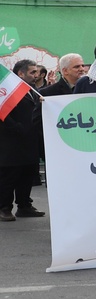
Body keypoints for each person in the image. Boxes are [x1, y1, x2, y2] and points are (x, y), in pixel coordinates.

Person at [0, 61, 44, 221]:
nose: (36, 75)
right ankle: (4, 207)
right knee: (9, 176)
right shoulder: (8, 90)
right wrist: (16, 127)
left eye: (37, 72)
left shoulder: (33, 90)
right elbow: (3, 113)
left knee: (27, 175)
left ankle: (24, 205)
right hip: (12, 142)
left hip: (30, 141)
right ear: (20, 74)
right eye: (32, 72)